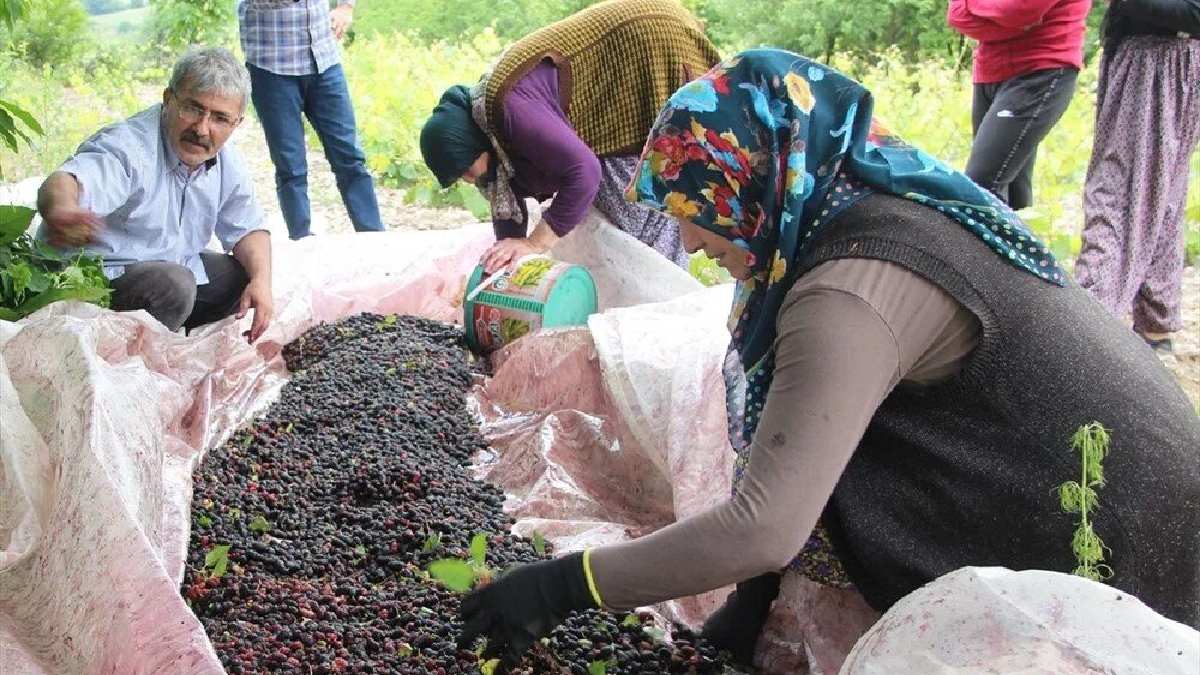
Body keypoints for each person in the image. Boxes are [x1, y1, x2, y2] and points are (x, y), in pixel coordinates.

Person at [455, 49, 1200, 671]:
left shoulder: (849, 283)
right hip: (1081, 470)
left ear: (749, 178)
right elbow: (810, 452)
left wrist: (562, 585)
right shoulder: (842, 209)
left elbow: (765, 523)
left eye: (696, 208)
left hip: (1117, 513)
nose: (687, 244)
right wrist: (748, 608)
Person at [418, 0, 721, 273]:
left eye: (467, 170)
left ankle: (655, 301)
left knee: (649, 198)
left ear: (474, 144)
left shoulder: (509, 110)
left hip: (649, 41)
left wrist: (535, 244)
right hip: (632, 45)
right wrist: (507, 256)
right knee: (617, 207)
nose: (471, 181)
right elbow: (506, 199)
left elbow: (583, 172)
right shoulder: (490, 129)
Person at [36, 47, 273, 342]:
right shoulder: (130, 147)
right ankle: (136, 357)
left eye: (219, 118)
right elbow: (69, 180)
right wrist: (61, 209)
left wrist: (262, 281)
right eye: (193, 108)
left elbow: (248, 228)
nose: (202, 129)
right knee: (175, 284)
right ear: (168, 99)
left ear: (236, 123)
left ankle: (166, 329)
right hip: (93, 283)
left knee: (242, 276)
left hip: (165, 266)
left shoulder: (225, 159)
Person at [1074, 0, 1200, 352]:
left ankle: (1089, 326)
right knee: (1161, 190)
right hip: (1166, 55)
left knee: (1119, 193)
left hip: (1157, 58)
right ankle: (1156, 319)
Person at [238, 0, 385, 240]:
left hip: (324, 59)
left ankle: (374, 237)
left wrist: (346, 6)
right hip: (272, 64)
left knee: (350, 157)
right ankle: (302, 240)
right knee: (290, 166)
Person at [947, 0, 1089, 209]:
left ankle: (964, 243)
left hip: (1040, 70)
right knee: (1015, 196)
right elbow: (957, 15)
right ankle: (1018, 242)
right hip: (989, 73)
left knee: (980, 187)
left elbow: (1018, 11)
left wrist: (977, 9)